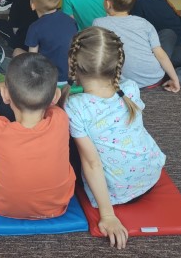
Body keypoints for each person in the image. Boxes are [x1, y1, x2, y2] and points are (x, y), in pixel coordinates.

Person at [64, 26, 166, 249]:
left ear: (73, 63)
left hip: (116, 192)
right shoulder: (130, 89)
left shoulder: (75, 106)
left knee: (63, 137)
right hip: (150, 176)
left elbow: (92, 163)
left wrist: (108, 215)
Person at [0, 53, 75, 219]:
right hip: (58, 207)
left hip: (5, 207)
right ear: (55, 96)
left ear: (5, 95)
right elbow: (50, 103)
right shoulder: (61, 119)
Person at [93, 0, 180, 91]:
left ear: (108, 3)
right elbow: (160, 55)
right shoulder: (144, 23)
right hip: (153, 78)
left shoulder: (98, 23)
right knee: (168, 34)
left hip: (121, 82)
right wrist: (175, 79)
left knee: (167, 36)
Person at [24, 0, 78, 83]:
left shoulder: (35, 27)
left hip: (48, 80)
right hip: (71, 77)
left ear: (33, 5)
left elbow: (32, 58)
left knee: (17, 52)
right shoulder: (71, 21)